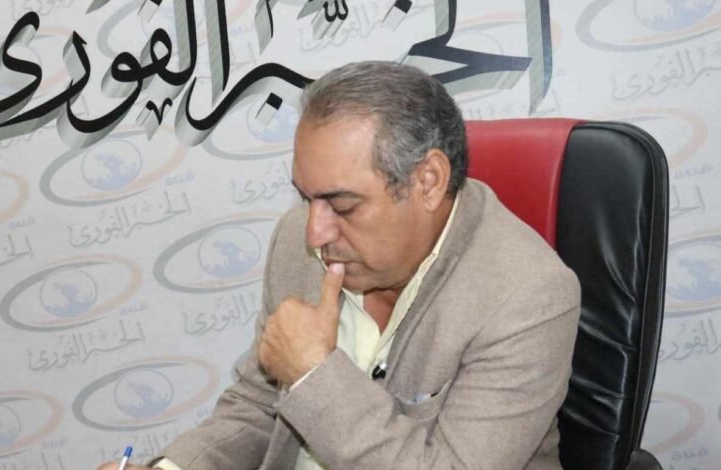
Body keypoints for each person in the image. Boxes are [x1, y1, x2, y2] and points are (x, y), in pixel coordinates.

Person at [98, 61, 580, 470]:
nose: (315, 233)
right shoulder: (298, 241)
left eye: (343, 205)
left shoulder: (528, 296)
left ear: (429, 181)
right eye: (306, 198)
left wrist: (313, 373)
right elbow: (258, 406)